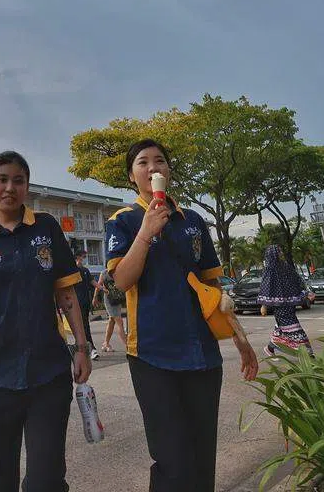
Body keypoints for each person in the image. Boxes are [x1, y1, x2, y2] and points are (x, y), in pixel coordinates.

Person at [106, 139, 258, 492]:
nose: (153, 167)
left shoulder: (193, 220)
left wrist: (241, 338)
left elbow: (214, 287)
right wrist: (145, 233)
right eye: (143, 162)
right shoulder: (124, 221)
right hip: (151, 354)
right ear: (132, 176)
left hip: (202, 352)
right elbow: (121, 281)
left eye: (160, 161)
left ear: (169, 172)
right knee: (171, 459)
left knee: (203, 454)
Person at [0, 151, 92, 492]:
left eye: (18, 180)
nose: (9, 187)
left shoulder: (46, 228)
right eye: (2, 180)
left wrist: (82, 348)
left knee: (46, 478)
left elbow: (67, 295)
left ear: (27, 187)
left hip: (49, 371)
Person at [258, 244, 316, 357]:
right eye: (279, 252)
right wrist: (264, 305)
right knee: (294, 328)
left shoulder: (285, 266)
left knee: (282, 329)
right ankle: (308, 354)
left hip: (290, 304)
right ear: (273, 255)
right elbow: (266, 287)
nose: (281, 254)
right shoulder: (269, 270)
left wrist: (306, 292)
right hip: (279, 306)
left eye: (281, 251)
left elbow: (296, 280)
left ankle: (270, 348)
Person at [91, 266, 127, 353]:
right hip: (109, 300)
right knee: (120, 322)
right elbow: (98, 286)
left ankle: (106, 343)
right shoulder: (104, 273)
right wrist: (95, 297)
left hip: (117, 299)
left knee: (112, 321)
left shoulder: (118, 271)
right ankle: (127, 346)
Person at [74, 250, 100, 360]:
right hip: (75, 304)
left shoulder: (85, 270)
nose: (84, 259)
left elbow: (92, 282)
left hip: (85, 302)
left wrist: (101, 287)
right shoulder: (71, 271)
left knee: (84, 326)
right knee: (79, 327)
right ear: (78, 257)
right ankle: (87, 349)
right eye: (83, 257)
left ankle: (87, 349)